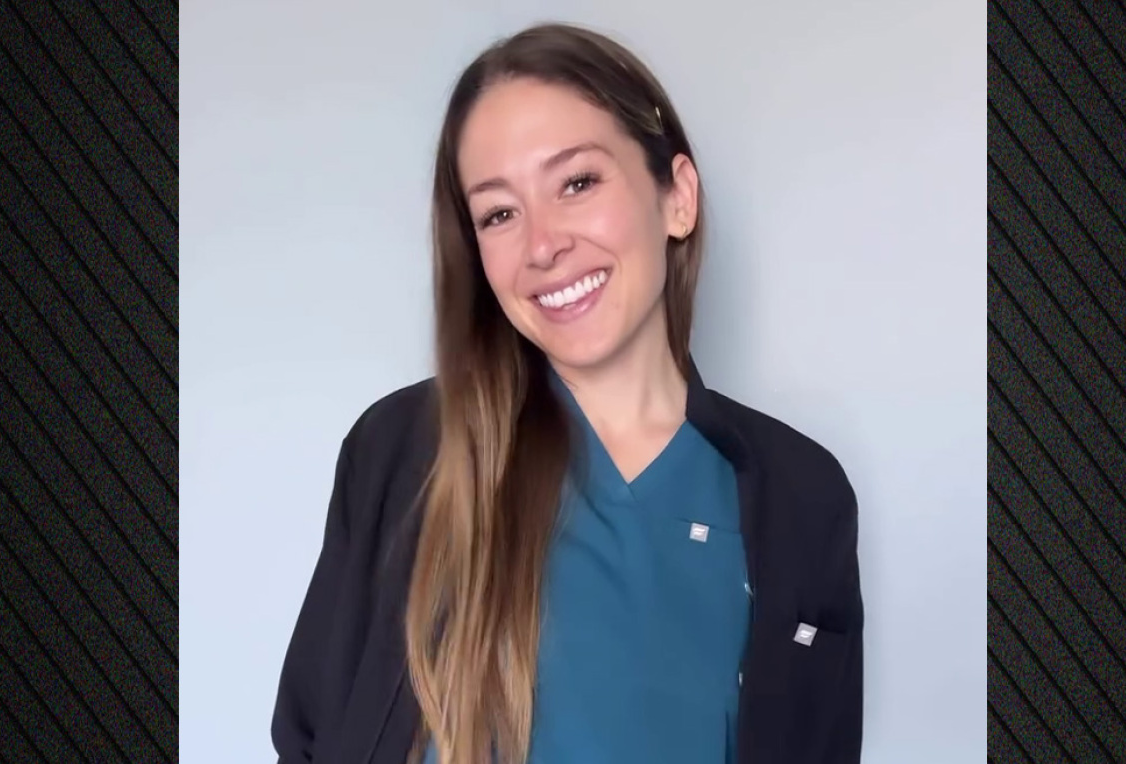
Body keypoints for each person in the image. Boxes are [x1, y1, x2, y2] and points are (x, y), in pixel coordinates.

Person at [271, 22, 862, 764]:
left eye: (577, 183)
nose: (543, 245)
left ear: (677, 197)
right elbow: (312, 736)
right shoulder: (402, 451)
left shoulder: (805, 496)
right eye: (499, 213)